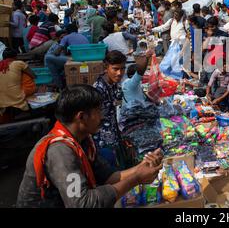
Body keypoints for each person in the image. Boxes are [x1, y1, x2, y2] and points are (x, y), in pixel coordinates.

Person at [16, 84, 163, 208]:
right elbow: (82, 204)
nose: (102, 117)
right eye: (98, 111)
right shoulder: (60, 152)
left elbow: (109, 176)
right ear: (81, 117)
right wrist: (137, 178)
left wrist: (144, 165)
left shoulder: (82, 140)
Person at [93, 51, 127, 169]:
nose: (120, 73)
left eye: (122, 69)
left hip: (113, 131)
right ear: (106, 67)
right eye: (115, 69)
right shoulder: (99, 89)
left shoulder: (113, 83)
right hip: (103, 138)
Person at [0, 48, 36, 116]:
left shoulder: (1, 65)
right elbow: (33, 75)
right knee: (25, 75)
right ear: (16, 57)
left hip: (1, 103)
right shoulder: (19, 63)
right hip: (17, 99)